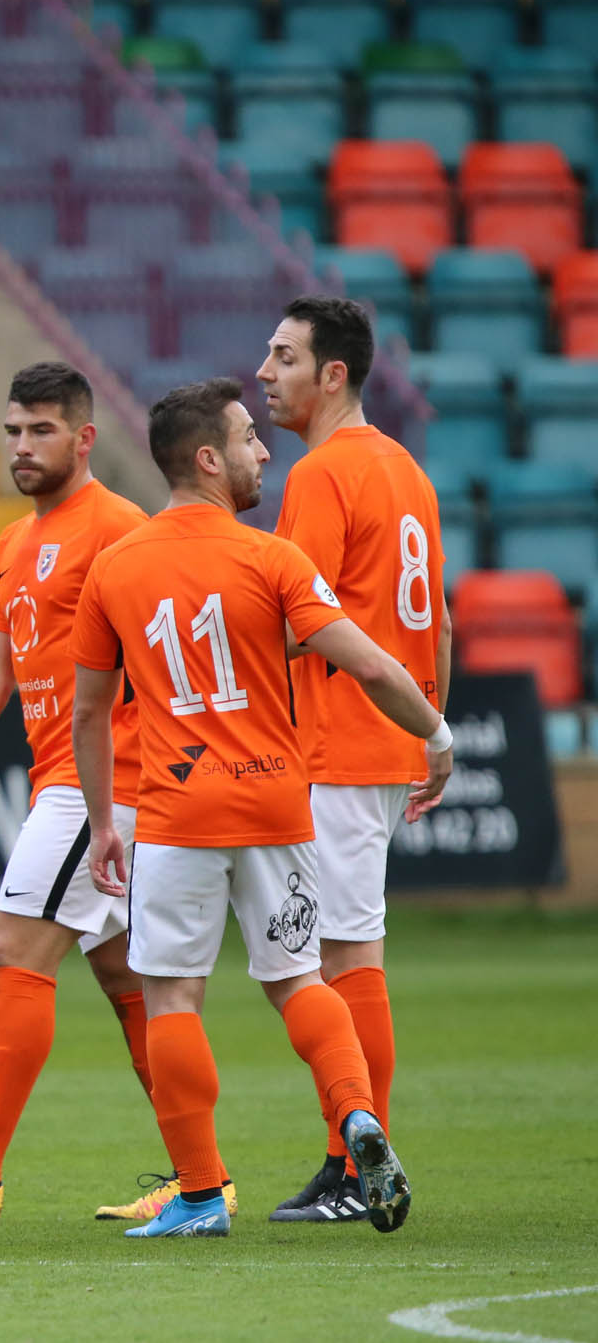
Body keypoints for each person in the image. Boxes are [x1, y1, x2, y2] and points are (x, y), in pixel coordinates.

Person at [71, 378, 451, 1238]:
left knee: (171, 998)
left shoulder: (117, 565)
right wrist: (436, 731)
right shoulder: (273, 560)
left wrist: (103, 823)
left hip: (175, 813)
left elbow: (90, 710)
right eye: (247, 438)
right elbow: (375, 665)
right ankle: (358, 1119)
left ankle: (202, 1194)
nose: (262, 451)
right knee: (300, 981)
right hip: (279, 804)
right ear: (207, 458)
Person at [0, 361, 230, 1225]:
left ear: (85, 437)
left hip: (102, 785)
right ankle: (203, 1173)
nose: (23, 448)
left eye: (41, 431)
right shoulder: (13, 543)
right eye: (13, 432)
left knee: (15, 950)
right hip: (67, 785)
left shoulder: (120, 528)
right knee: (132, 982)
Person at [258, 296, 451, 1225]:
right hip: (386, 738)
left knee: (339, 958)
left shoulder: (324, 473)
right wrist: (428, 726)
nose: (266, 372)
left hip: (336, 740)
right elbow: (437, 620)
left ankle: (352, 1160)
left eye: (285, 356)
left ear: (333, 373)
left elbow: (299, 621)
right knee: (350, 948)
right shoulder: (406, 469)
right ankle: (350, 1153)